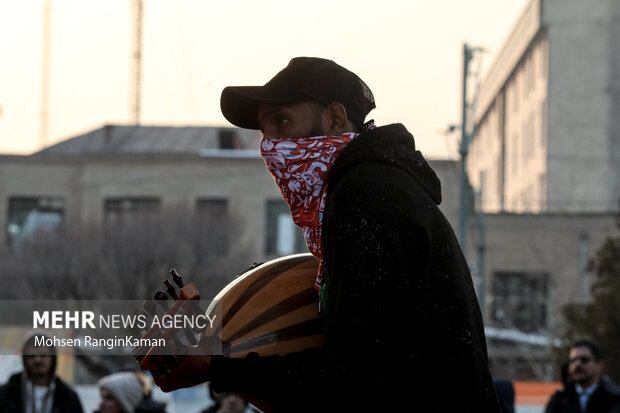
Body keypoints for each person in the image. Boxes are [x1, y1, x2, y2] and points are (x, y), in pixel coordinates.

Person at [143, 56, 500, 411]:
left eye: (282, 121)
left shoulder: (365, 197)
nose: (270, 145)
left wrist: (215, 366)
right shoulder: (377, 187)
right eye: (264, 131)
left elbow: (355, 378)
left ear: (334, 118)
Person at [0, 331, 84, 413]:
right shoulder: (5, 395)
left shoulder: (69, 398)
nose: (37, 359)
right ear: (24, 359)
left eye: (43, 355)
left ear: (53, 358)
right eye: (32, 356)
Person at [545, 340, 620, 413]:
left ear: (600, 365)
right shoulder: (559, 399)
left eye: (584, 360)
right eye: (573, 360)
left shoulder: (614, 398)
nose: (577, 364)